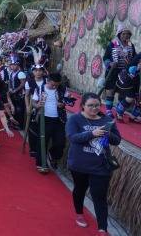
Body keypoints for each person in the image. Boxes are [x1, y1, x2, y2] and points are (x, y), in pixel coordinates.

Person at [66, 93, 121, 234]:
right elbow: (72, 138)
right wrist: (92, 133)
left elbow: (117, 140)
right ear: (83, 105)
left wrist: (107, 133)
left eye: (97, 105)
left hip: (101, 166)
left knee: (99, 196)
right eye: (90, 105)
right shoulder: (75, 119)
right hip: (79, 164)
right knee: (80, 189)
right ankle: (79, 213)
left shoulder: (107, 120)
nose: (94, 108)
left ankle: (102, 228)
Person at [29, 72, 69, 173]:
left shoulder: (62, 89)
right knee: (42, 141)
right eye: (53, 84)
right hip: (44, 118)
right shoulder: (40, 89)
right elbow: (33, 102)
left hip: (59, 119)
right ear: (48, 80)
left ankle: (53, 155)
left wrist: (63, 104)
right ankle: (41, 163)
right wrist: (37, 105)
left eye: (57, 84)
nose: (54, 86)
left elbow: (68, 101)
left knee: (60, 142)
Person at [102, 24, 135, 118]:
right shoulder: (112, 44)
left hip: (124, 73)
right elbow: (106, 57)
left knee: (123, 91)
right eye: (124, 34)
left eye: (128, 34)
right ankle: (108, 110)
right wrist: (110, 63)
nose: (126, 36)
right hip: (113, 72)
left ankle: (119, 109)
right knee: (110, 91)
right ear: (119, 34)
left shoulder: (130, 45)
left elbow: (134, 57)